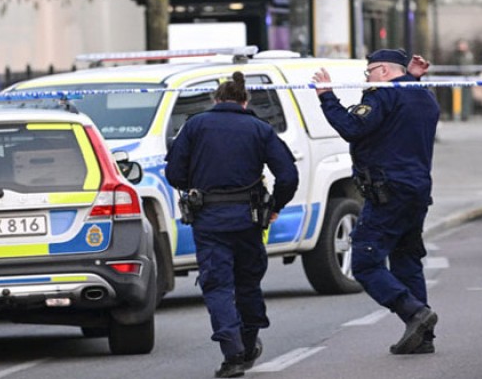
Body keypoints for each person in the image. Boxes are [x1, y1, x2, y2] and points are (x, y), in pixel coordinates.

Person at [164, 71, 299, 378]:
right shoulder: (259, 128)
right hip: (249, 220)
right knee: (248, 282)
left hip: (209, 221)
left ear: (216, 100)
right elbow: (289, 176)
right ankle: (249, 343)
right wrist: (274, 206)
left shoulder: (194, 125)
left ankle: (232, 352)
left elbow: (174, 174)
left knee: (218, 286)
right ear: (244, 101)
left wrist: (197, 186)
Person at [311, 49, 439, 355]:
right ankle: (423, 337)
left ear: (382, 71)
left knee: (366, 263)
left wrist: (327, 96)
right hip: (416, 191)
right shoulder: (424, 96)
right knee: (407, 261)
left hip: (388, 191)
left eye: (368, 73)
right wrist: (411, 78)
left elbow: (352, 127)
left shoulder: (382, 96)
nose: (366, 79)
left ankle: (414, 313)